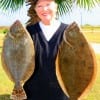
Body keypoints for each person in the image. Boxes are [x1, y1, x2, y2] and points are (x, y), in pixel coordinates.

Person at [23, 0, 69, 100]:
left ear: (56, 6)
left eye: (48, 4)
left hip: (62, 93)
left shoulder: (69, 31)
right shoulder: (28, 32)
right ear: (35, 9)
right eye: (39, 6)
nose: (44, 9)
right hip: (32, 93)